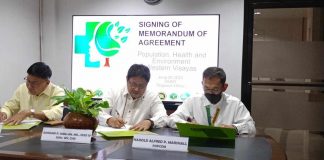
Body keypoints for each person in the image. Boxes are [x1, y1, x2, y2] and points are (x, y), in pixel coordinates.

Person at [168, 67, 256, 135]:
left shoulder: (235, 103)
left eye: (215, 89)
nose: (210, 93)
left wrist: (235, 128)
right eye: (206, 88)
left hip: (225, 146)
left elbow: (251, 126)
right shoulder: (193, 100)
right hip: (198, 145)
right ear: (202, 84)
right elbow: (172, 119)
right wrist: (189, 126)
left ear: (224, 87)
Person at [98, 64, 168, 131]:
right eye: (133, 84)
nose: (136, 89)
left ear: (147, 84)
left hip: (139, 140)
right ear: (127, 79)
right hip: (112, 141)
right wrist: (109, 120)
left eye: (141, 86)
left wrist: (150, 122)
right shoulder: (113, 92)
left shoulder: (152, 97)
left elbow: (163, 117)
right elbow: (98, 113)